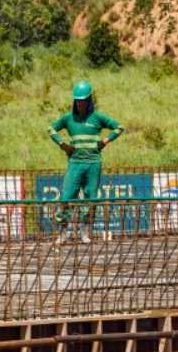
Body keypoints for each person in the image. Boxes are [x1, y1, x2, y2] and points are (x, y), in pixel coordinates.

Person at [47, 80, 125, 244]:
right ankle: (63, 232)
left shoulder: (97, 117)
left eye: (83, 100)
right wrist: (62, 144)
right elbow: (51, 129)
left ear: (89, 100)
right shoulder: (68, 118)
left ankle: (85, 231)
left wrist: (105, 140)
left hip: (93, 163)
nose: (80, 104)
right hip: (75, 163)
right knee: (67, 197)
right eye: (78, 100)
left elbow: (119, 127)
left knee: (90, 198)